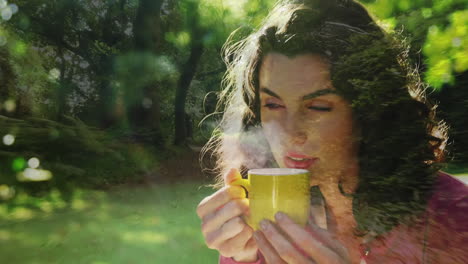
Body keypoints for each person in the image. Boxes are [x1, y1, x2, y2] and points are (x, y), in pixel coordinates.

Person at [196, 0, 468, 263]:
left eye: (317, 107)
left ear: (369, 110)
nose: (290, 133)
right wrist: (244, 257)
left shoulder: (454, 217)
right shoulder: (257, 230)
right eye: (273, 104)